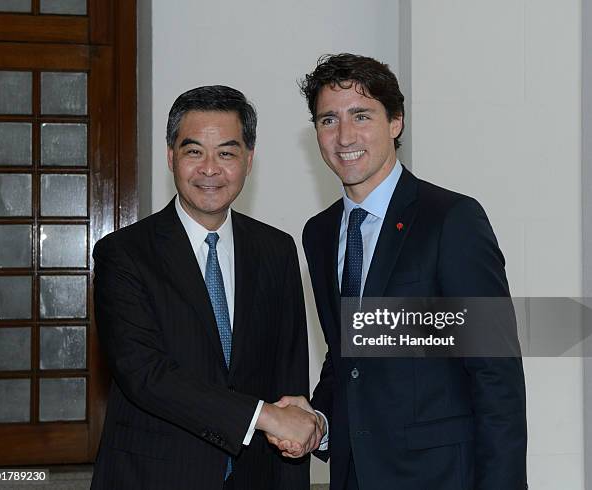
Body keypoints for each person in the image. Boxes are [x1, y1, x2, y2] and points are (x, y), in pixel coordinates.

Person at [273, 54, 528, 489]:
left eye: (361, 115)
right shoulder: (318, 234)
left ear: (395, 123)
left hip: (441, 478)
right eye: (328, 120)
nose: (344, 135)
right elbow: (349, 358)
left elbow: (496, 377)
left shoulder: (452, 220)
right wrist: (319, 421)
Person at [91, 85, 321, 490]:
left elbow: (289, 374)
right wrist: (262, 416)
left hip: (256, 476)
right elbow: (147, 375)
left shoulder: (276, 249)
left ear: (249, 161)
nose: (210, 169)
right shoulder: (124, 254)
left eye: (227, 153)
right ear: (171, 157)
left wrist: (293, 442)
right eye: (194, 151)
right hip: (154, 476)